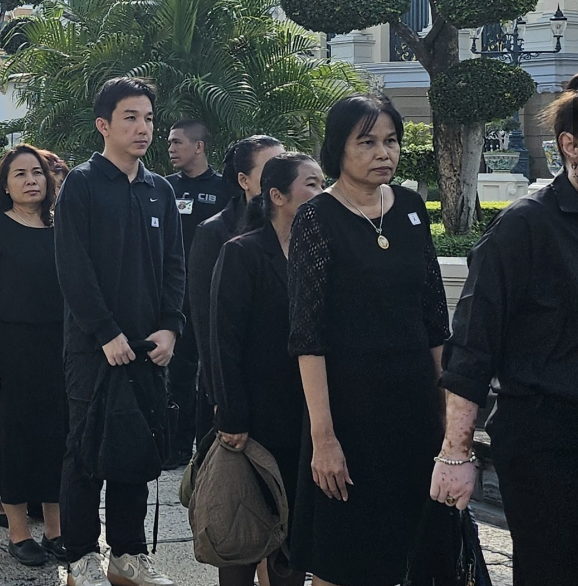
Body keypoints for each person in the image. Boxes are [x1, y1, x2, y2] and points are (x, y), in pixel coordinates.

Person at [287, 94, 449, 586]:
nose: (385, 153)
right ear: (339, 148)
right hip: (350, 410)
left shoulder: (413, 208)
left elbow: (435, 316)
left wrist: (448, 417)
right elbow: (307, 336)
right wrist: (324, 437)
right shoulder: (317, 218)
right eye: (368, 142)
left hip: (415, 404)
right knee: (345, 553)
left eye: (391, 141)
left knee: (421, 546)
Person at [432, 76, 578, 585]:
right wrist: (456, 454)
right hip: (546, 441)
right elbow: (472, 345)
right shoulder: (525, 226)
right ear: (570, 146)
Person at [55, 77, 183, 586]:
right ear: (103, 124)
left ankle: (129, 554)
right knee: (86, 449)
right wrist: (104, 332)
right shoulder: (83, 185)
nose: (143, 128)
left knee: (138, 446)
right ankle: (81, 554)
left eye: (149, 118)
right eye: (131, 117)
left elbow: (175, 264)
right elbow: (72, 267)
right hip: (93, 347)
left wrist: (171, 328)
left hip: (149, 345)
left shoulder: (160, 189)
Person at [209, 152, 324, 586]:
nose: (320, 191)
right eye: (310, 184)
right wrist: (232, 413)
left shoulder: (320, 249)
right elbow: (224, 339)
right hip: (257, 413)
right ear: (277, 195)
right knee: (246, 521)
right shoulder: (243, 252)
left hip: (309, 411)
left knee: (295, 529)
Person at [0, 145, 67, 568]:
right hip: (11, 347)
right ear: (5, 186)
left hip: (58, 348)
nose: (31, 180)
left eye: (38, 173)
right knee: (14, 437)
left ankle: (58, 528)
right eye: (20, 174)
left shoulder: (61, 227)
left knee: (58, 436)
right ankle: (18, 531)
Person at [186, 136, 284, 442]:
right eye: (271, 168)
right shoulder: (215, 232)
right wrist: (223, 401)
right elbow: (207, 326)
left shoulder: (299, 226)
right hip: (232, 388)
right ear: (244, 180)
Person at [163, 118, 230, 469]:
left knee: (213, 371)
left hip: (213, 293)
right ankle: (175, 447)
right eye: (170, 143)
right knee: (178, 372)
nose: (171, 149)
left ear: (199, 146)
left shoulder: (223, 189)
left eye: (177, 142)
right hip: (175, 294)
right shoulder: (163, 188)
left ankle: (211, 442)